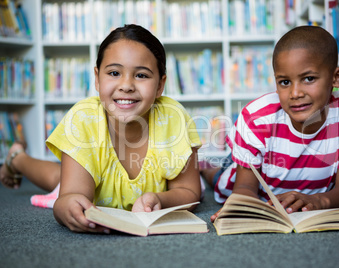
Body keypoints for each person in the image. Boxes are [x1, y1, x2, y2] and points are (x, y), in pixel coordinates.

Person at [0, 24, 203, 233]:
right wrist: (70, 205)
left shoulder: (174, 118)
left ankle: (19, 158)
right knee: (60, 180)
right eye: (114, 73)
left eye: (141, 75)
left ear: (160, 85)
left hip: (143, 185)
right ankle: (17, 158)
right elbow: (68, 199)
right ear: (97, 78)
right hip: (92, 183)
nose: (126, 85)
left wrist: (159, 198)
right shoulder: (83, 119)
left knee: (61, 175)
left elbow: (188, 191)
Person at [202, 26, 339, 222]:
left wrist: (319, 201)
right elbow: (244, 189)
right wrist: (248, 208)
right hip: (249, 171)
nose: (295, 93)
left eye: (309, 79)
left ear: (336, 78)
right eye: (285, 82)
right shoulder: (256, 117)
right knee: (219, 178)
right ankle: (204, 168)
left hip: (299, 186)